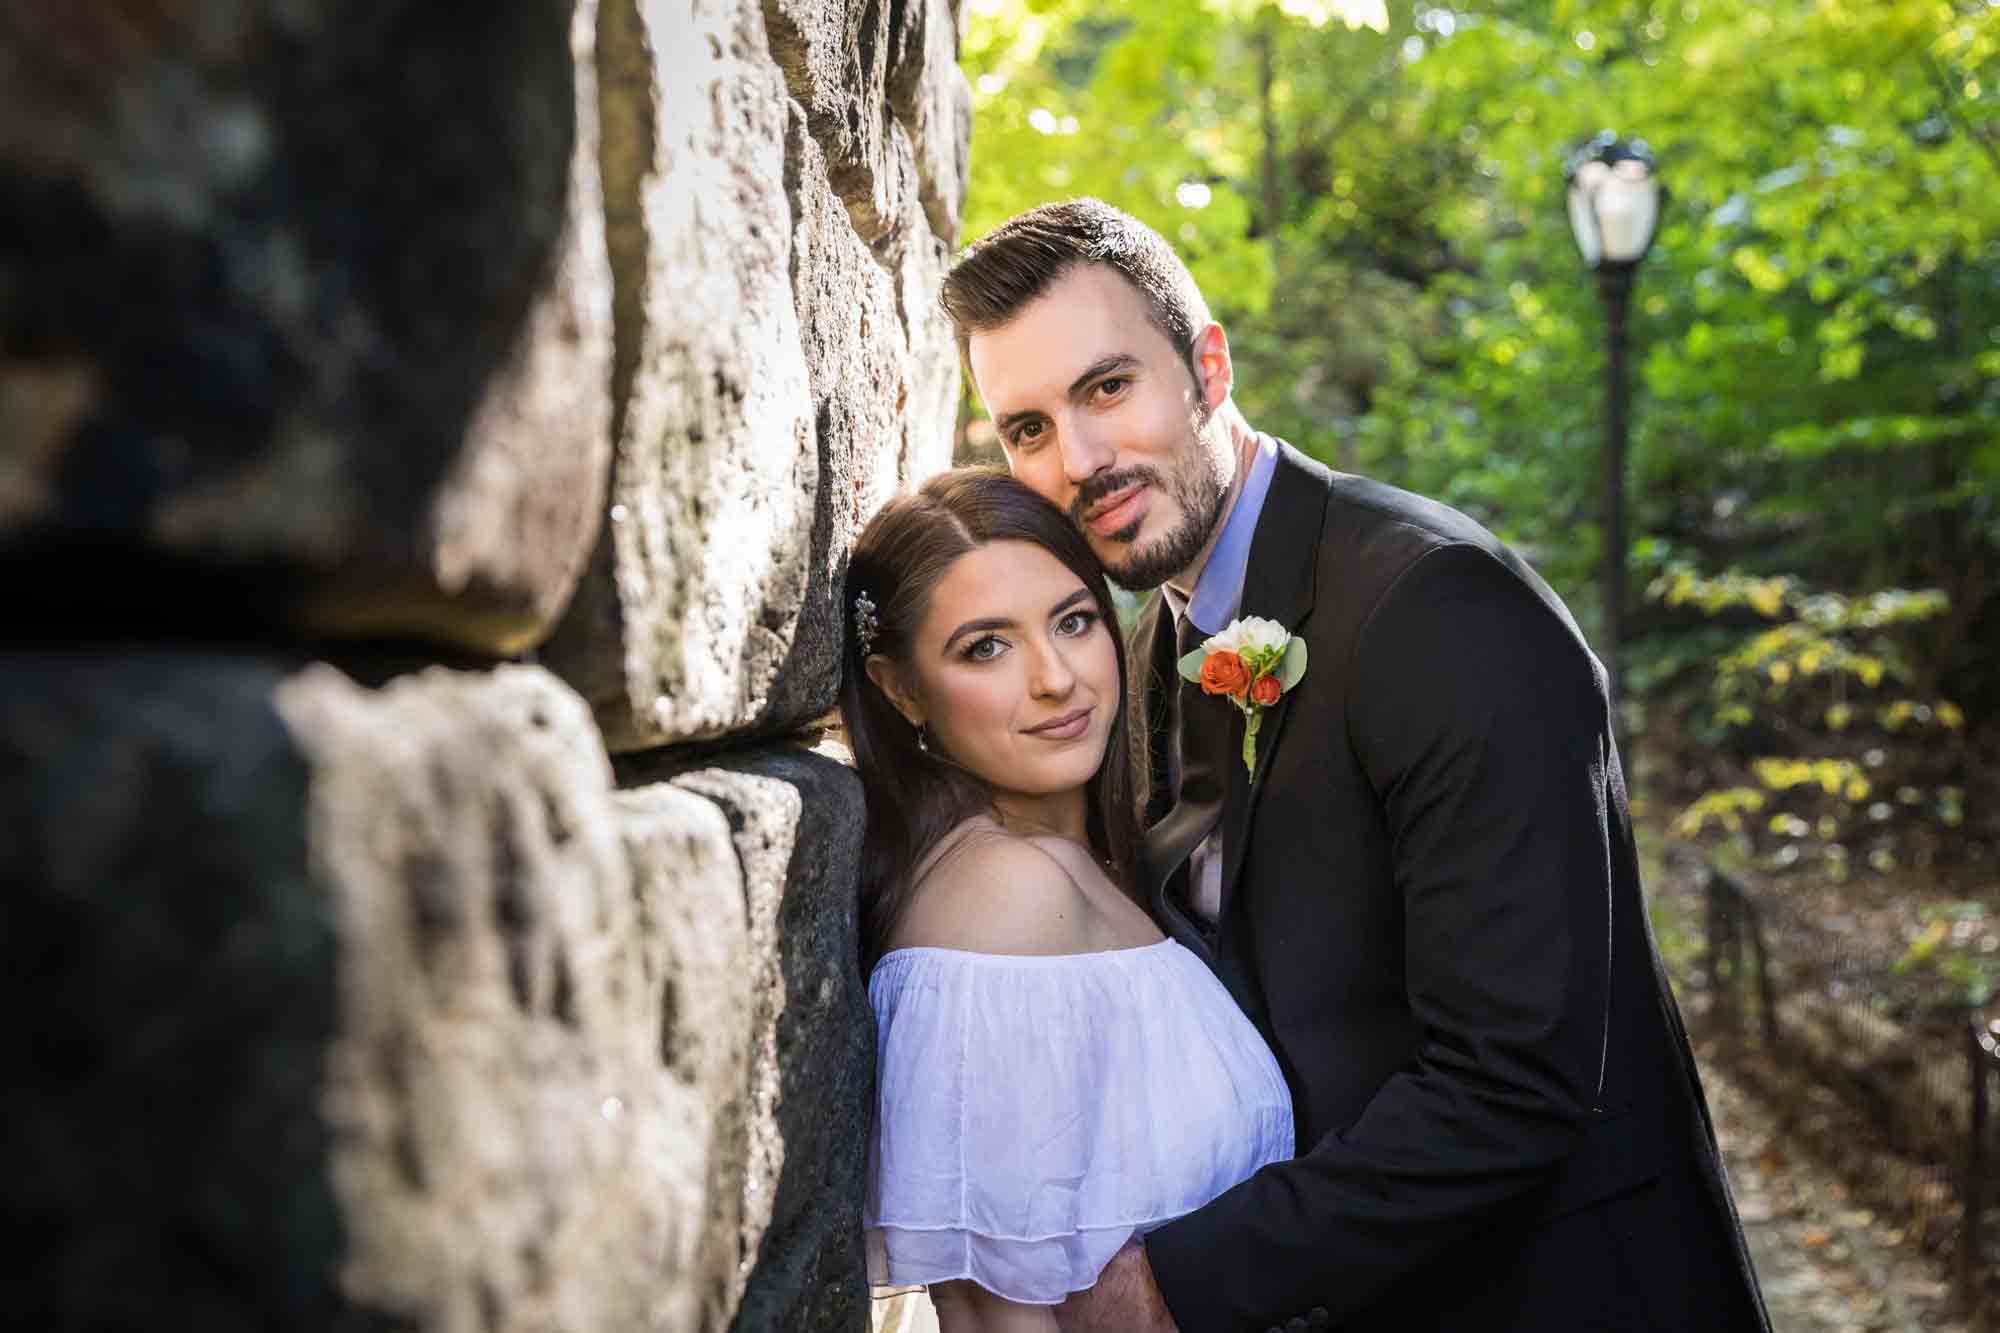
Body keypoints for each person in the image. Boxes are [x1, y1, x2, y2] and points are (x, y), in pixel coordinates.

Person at [939, 198, 1772, 1333]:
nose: (1078, 459)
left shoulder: (1439, 608)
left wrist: (1171, 1286)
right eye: (1026, 428)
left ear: (1207, 368)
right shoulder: (1136, 657)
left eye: (1105, 388)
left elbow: (1509, 1085)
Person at [840, 469, 1296, 1331]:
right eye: (986, 646)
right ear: (900, 688)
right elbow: (992, 1313)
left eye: (1072, 620)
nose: (1055, 678)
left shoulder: (1091, 862)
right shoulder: (1001, 900)